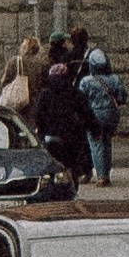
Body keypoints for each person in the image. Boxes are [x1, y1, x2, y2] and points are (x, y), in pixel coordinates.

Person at [34, 40, 87, 190]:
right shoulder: (74, 92)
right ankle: (73, 189)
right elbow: (86, 112)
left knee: (53, 166)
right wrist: (92, 129)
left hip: (51, 136)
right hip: (72, 137)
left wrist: (41, 131)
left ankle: (54, 190)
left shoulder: (45, 94)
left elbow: (38, 114)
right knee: (72, 166)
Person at [82, 42, 129, 185]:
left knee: (96, 144)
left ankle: (101, 175)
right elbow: (122, 97)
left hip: (94, 115)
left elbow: (81, 100)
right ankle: (107, 174)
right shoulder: (115, 79)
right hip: (112, 115)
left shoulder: (86, 81)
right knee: (107, 143)